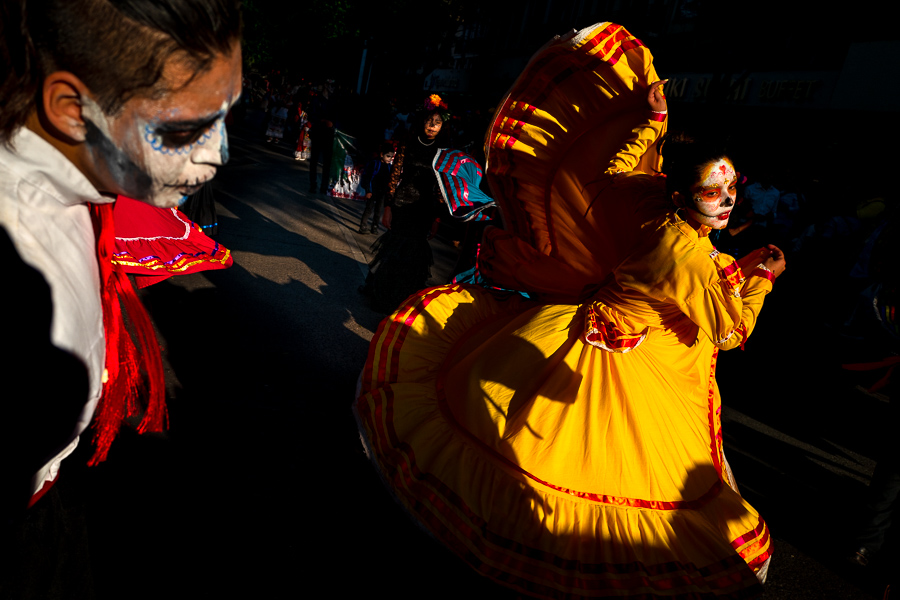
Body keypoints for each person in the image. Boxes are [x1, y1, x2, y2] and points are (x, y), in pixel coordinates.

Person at [354, 22, 782, 599]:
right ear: (682, 195)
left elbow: (613, 172)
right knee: (607, 467)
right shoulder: (683, 252)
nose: (728, 201)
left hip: (581, 325)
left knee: (530, 435)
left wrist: (649, 124)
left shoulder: (646, 199)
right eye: (713, 191)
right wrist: (760, 278)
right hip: (633, 361)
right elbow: (729, 330)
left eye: (732, 189)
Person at [0, 0, 241, 520]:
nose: (219, 153)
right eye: (184, 129)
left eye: (224, 115)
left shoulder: (87, 183)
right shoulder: (16, 254)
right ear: (70, 108)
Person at [357, 95, 449, 313]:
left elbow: (441, 186)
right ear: (422, 120)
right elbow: (394, 175)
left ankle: (405, 299)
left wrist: (437, 217)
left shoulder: (443, 150)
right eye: (429, 121)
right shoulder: (409, 142)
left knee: (414, 256)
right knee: (394, 251)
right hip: (401, 204)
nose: (432, 127)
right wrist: (388, 206)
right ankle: (383, 293)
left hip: (424, 209)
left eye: (437, 122)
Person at [357, 142, 395, 234]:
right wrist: (368, 191)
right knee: (369, 209)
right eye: (388, 156)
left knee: (378, 210)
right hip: (373, 191)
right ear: (382, 154)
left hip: (382, 193)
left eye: (391, 157)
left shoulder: (390, 167)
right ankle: (363, 226)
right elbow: (368, 178)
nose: (390, 159)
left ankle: (374, 227)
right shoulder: (374, 164)